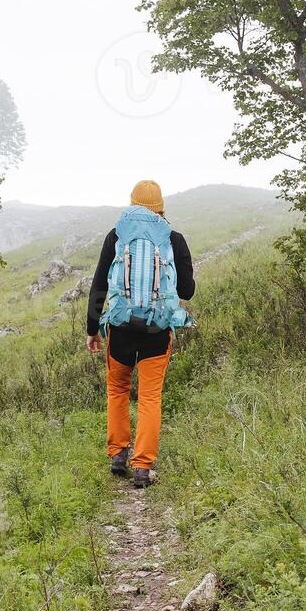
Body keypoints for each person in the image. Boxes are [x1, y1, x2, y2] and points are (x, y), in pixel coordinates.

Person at [86, 180, 195, 489]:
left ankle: (119, 454)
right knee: (149, 396)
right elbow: (187, 289)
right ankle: (142, 468)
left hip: (119, 330)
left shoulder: (116, 235)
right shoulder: (174, 238)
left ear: (132, 203)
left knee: (117, 390)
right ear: (161, 206)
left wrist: (92, 330)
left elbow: (99, 288)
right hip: (157, 330)